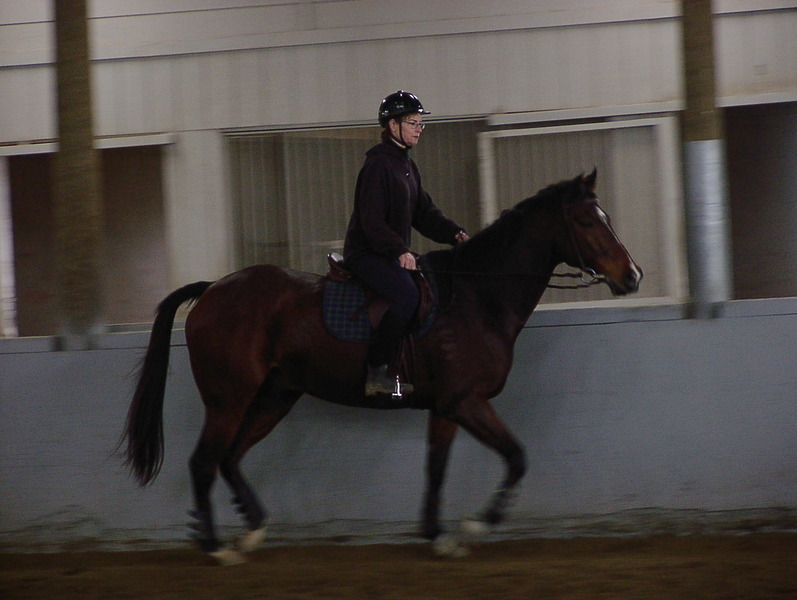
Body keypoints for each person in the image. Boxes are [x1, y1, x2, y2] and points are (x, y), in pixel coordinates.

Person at [343, 90, 469, 398]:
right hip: (367, 253)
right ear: (392, 125)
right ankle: (377, 372)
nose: (418, 129)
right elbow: (371, 221)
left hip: (387, 252)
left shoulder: (407, 167)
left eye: (420, 123)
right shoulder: (378, 165)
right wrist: (399, 250)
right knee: (406, 295)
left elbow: (424, 213)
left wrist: (455, 234)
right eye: (412, 123)